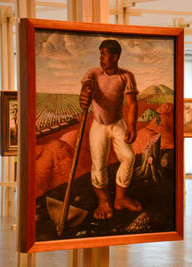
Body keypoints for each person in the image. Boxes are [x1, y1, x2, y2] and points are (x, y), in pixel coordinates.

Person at [79, 39, 142, 220]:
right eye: (100, 54)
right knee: (98, 164)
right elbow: (87, 85)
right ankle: (104, 200)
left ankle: (120, 198)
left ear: (115, 57)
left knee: (129, 157)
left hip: (118, 124)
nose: (101, 59)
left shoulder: (126, 77)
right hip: (99, 125)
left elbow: (131, 103)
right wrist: (86, 92)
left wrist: (131, 126)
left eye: (104, 55)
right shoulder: (94, 73)